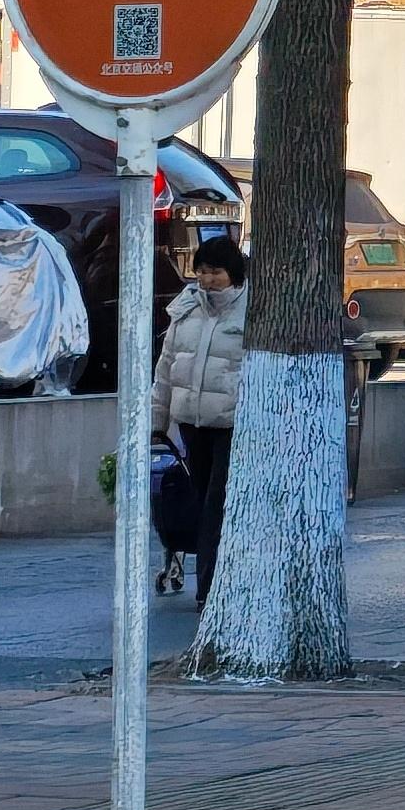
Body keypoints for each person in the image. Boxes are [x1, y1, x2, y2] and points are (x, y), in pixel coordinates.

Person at [152, 239, 251, 604]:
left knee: (216, 503)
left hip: (231, 426)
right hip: (192, 423)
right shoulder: (187, 308)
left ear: (233, 274)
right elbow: (167, 367)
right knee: (201, 501)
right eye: (202, 271)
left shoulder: (249, 311)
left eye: (216, 272)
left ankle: (208, 591)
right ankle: (210, 584)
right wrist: (157, 419)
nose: (208, 280)